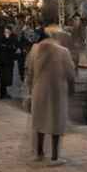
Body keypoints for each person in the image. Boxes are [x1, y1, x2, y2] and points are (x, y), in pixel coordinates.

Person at [25, 25, 75, 164]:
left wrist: (30, 89)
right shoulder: (63, 51)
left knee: (39, 121)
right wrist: (72, 87)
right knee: (56, 122)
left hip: (39, 89)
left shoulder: (35, 50)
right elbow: (70, 73)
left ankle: (39, 152)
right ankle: (54, 156)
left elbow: (29, 71)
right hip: (57, 91)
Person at [0, 23, 18, 98]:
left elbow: (14, 46)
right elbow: (1, 46)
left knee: (4, 76)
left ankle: (3, 92)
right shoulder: (4, 36)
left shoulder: (11, 36)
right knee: (4, 76)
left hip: (5, 59)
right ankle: (3, 93)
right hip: (5, 59)